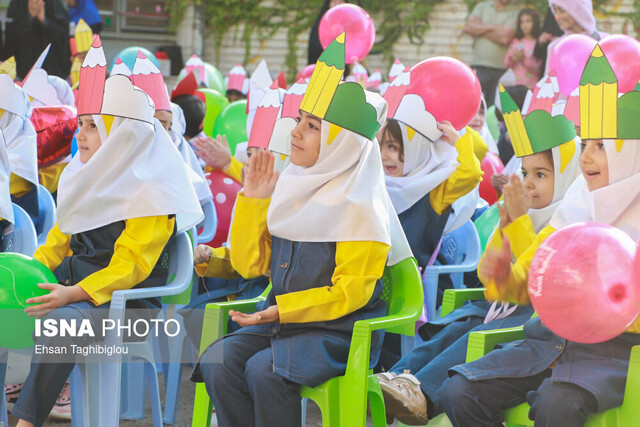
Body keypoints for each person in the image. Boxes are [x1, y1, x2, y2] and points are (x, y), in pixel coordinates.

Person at [191, 34, 411, 427]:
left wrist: (281, 309)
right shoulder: (294, 185)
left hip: (337, 333)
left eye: (312, 126)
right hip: (283, 322)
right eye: (298, 121)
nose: (294, 132)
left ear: (340, 143)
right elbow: (250, 264)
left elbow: (351, 293)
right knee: (216, 362)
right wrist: (253, 200)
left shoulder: (362, 206)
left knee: (264, 371)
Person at [439, 45, 640, 427]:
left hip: (611, 355)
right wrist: (504, 277)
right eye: (584, 144)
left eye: (601, 147)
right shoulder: (577, 206)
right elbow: (527, 285)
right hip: (545, 344)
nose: (586, 158)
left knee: (555, 406)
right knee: (458, 392)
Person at [10, 36, 202, 427]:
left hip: (129, 306)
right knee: (14, 314)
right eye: (80, 124)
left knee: (61, 324)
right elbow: (54, 246)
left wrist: (73, 294)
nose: (79, 134)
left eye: (92, 126)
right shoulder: (82, 177)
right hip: (77, 292)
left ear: (122, 136)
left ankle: (25, 421)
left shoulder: (152, 189)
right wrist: (24, 278)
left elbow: (130, 267)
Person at [376, 84, 581, 425]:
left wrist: (515, 224)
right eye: (526, 172)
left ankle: (420, 391)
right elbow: (493, 287)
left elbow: (536, 277)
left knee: (475, 331)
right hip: (502, 307)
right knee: (461, 324)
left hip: (532, 320)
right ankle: (399, 378)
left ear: (567, 178)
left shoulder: (567, 223)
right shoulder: (520, 212)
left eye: (542, 175)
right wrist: (507, 231)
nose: (529, 183)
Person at [463, 0, 520, 106]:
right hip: (479, 65)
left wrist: (480, 28)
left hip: (501, 69)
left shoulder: (515, 10)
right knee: (473, 104)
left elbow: (505, 38)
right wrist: (493, 27)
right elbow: (469, 27)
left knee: (494, 109)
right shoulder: (482, 6)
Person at [4, 0, 70, 80]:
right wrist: (30, 17)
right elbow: (10, 41)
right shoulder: (17, 4)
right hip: (23, 72)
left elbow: (63, 38)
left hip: (53, 72)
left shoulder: (55, 4)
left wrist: (44, 21)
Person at [544, 0, 602, 74]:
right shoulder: (555, 47)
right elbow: (549, 83)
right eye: (555, 11)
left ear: (579, 9)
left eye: (562, 10)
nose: (557, 17)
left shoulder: (603, 41)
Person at [504, 9, 542, 89]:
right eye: (522, 22)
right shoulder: (516, 42)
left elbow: (539, 68)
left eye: (528, 21)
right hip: (515, 85)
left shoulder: (538, 43)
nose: (524, 25)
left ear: (535, 22)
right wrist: (512, 58)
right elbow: (507, 64)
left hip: (532, 87)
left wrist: (524, 59)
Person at [307, 0, 346, 65]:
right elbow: (314, 47)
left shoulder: (350, 22)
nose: (337, 5)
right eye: (334, 2)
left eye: (340, 2)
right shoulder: (320, 24)